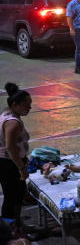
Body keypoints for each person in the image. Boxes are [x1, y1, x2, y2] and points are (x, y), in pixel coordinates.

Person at [0, 84, 31, 224]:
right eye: (26, 105)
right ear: (15, 104)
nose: (29, 107)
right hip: (9, 164)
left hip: (7, 162)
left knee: (13, 195)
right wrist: (21, 167)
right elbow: (10, 147)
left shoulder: (7, 114)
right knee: (13, 197)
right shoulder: (13, 123)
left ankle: (15, 224)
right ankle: (10, 228)